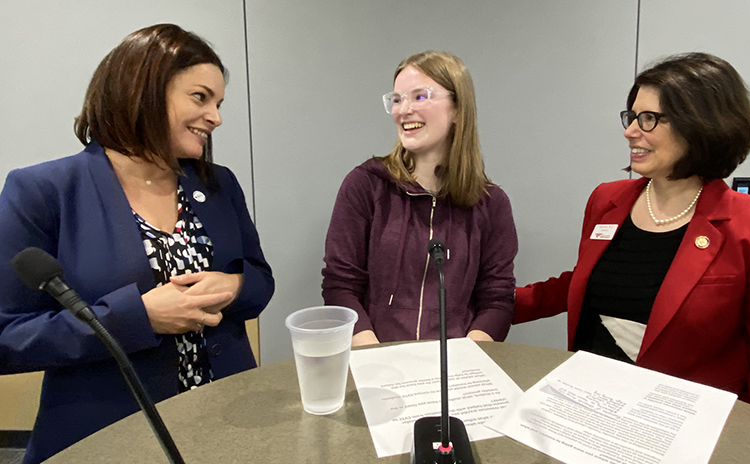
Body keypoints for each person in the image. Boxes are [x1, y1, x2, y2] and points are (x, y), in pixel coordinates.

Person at [0, 24, 274, 463]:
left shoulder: (218, 184)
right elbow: (7, 337)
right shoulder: (43, 191)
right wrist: (136, 318)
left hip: (225, 430)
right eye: (201, 97)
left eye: (219, 103)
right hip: (108, 441)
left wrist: (234, 287)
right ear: (142, 90)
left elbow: (259, 279)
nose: (217, 117)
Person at [515, 52, 750, 420]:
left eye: (650, 119)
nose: (630, 131)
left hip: (686, 430)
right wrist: (488, 307)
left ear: (701, 124)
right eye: (632, 117)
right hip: (589, 408)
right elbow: (583, 281)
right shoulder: (607, 200)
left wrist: (745, 443)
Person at [322, 51, 517, 347]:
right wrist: (376, 357)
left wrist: (468, 356)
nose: (403, 110)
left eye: (420, 97)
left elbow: (497, 298)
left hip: (456, 370)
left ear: (458, 109)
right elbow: (340, 285)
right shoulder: (365, 185)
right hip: (377, 364)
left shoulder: (491, 204)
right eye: (397, 99)